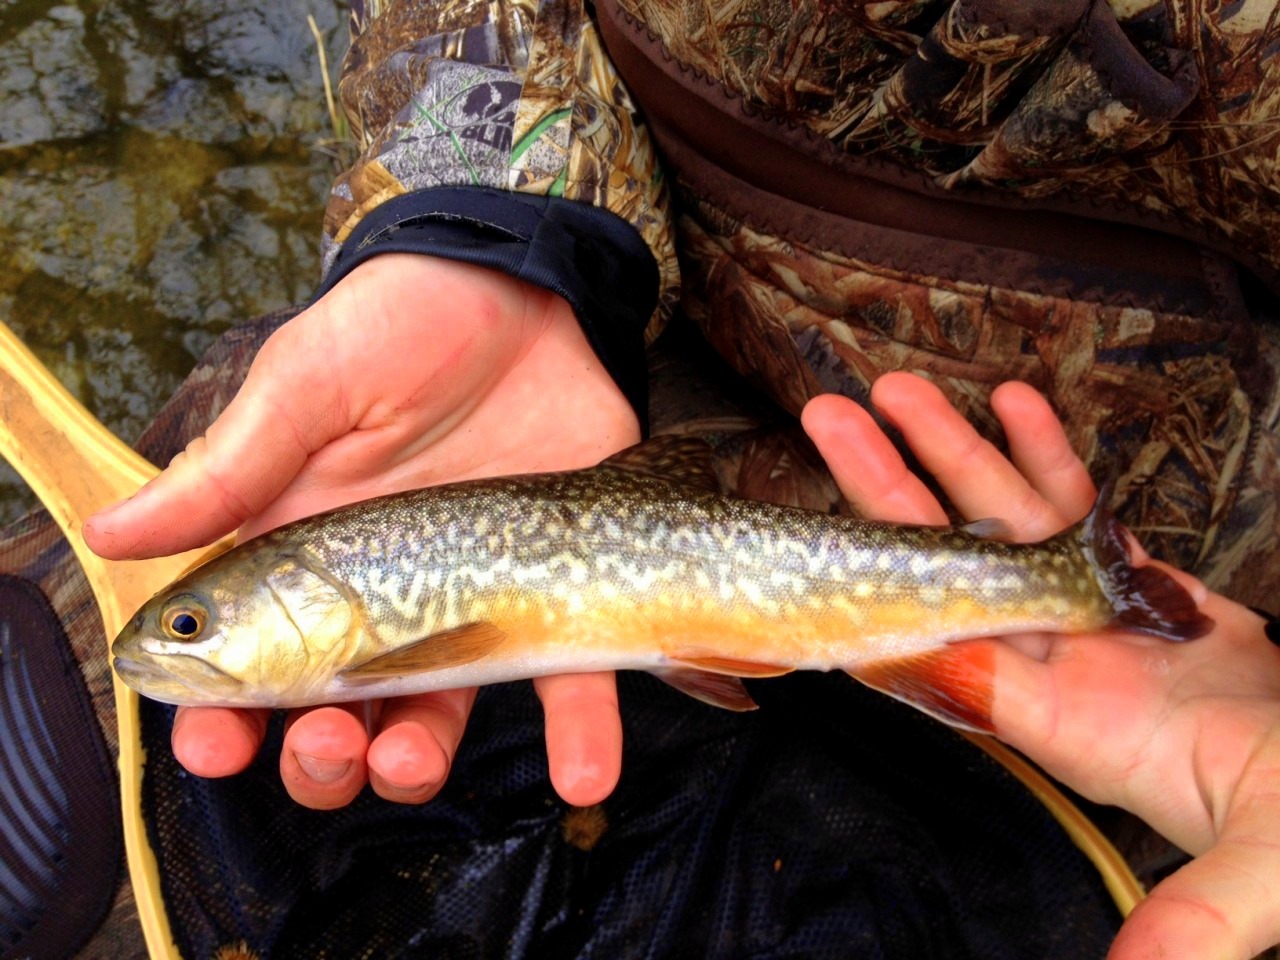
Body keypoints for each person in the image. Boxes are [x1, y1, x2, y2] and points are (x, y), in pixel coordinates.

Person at [84, 0, 1280, 955]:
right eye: (192, 624)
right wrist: (485, 222)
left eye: (193, 626)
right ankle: (1057, 581)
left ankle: (1065, 585)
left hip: (1180, 605)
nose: (177, 642)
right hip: (622, 315)